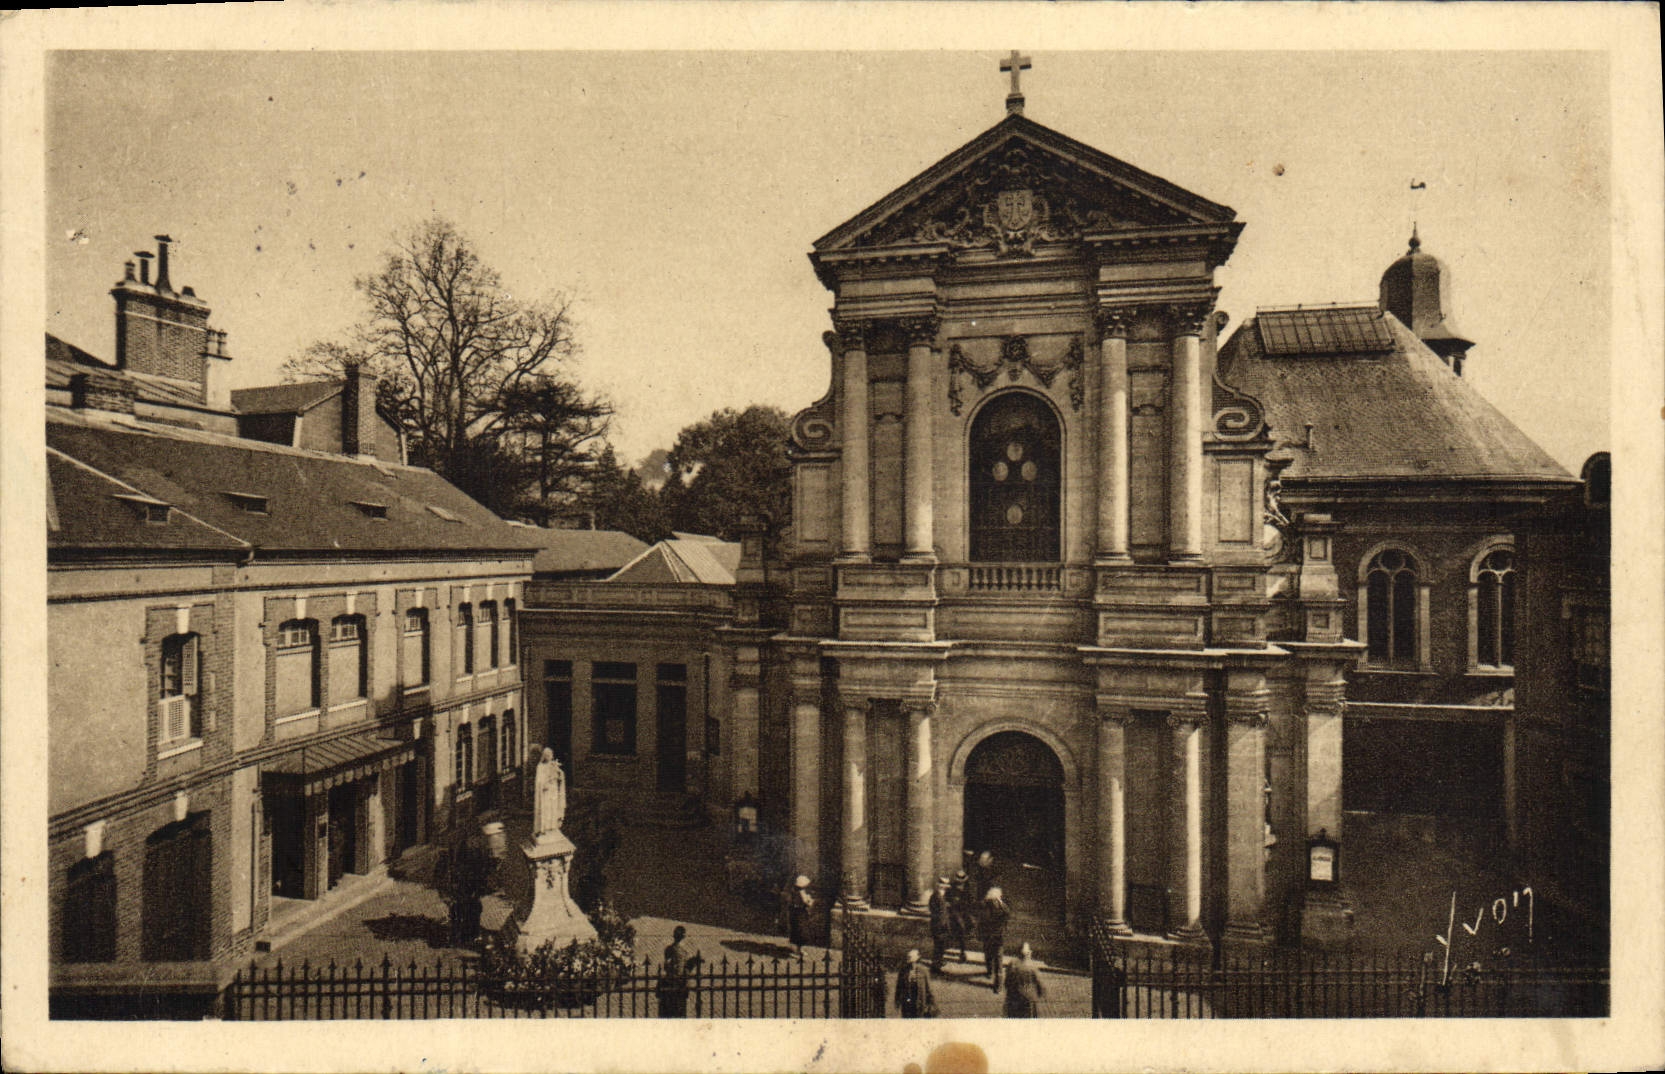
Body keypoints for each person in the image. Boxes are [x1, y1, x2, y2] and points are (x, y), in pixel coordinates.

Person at [658, 925, 704, 1018]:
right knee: (679, 1012)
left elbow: (667, 966)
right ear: (684, 937)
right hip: (679, 984)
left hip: (674, 983)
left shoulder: (670, 949)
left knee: (672, 1012)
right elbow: (680, 967)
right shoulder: (680, 951)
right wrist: (692, 962)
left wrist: (692, 961)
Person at [978, 886, 1010, 992]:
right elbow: (1007, 914)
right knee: (995, 959)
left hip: (993, 937)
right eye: (995, 899)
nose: (996, 901)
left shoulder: (996, 906)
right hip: (993, 937)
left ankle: (995, 979)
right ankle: (996, 982)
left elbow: (1007, 913)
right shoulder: (992, 906)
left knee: (993, 958)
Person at [1001, 941, 1045, 1018]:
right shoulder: (1032, 966)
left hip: (1014, 998)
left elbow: (1006, 982)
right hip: (1028, 999)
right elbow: (1039, 983)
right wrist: (1040, 993)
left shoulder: (1012, 964)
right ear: (1028, 954)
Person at [894, 949, 936, 1018]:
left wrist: (931, 1003)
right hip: (906, 1002)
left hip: (919, 1002)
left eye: (913, 962)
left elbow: (928, 989)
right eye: (910, 962)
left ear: (916, 960)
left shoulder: (924, 970)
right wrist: (897, 1001)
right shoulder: (903, 970)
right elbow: (899, 987)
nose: (912, 964)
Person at [781, 874, 815, 954]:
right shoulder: (801, 892)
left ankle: (797, 948)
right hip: (800, 913)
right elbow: (806, 902)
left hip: (794, 912)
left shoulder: (793, 891)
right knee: (801, 930)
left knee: (796, 930)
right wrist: (810, 901)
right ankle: (798, 950)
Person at [927, 876, 953, 972]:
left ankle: (938, 962)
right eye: (944, 887)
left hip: (941, 925)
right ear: (940, 887)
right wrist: (943, 925)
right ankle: (935, 967)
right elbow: (936, 912)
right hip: (938, 926)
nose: (945, 889)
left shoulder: (940, 897)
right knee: (938, 947)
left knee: (941, 946)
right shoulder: (936, 897)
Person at [947, 870, 973, 963]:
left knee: (969, 925)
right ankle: (962, 953)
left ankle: (963, 948)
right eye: (959, 881)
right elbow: (948, 901)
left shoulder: (967, 887)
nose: (960, 883)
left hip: (964, 912)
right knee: (960, 929)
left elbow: (970, 900)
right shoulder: (951, 889)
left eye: (962, 881)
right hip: (955, 912)